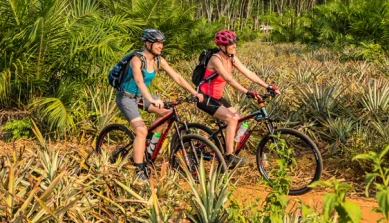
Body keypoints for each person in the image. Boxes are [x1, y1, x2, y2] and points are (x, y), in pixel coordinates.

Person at [116, 28, 205, 181]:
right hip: (127, 97)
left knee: (167, 113)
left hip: (142, 96)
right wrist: (151, 99)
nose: (160, 46)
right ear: (147, 43)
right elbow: (139, 81)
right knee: (141, 130)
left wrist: (194, 92)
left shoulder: (158, 60)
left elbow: (177, 77)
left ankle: (149, 143)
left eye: (161, 43)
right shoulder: (137, 59)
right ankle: (139, 169)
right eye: (157, 43)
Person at [195, 29, 279, 169]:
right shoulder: (216, 59)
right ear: (222, 46)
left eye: (235, 44)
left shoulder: (232, 57)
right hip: (205, 98)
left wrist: (267, 86)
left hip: (218, 97)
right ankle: (228, 157)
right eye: (231, 44)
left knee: (239, 121)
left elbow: (248, 72)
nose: (235, 46)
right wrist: (247, 91)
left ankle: (224, 147)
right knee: (231, 119)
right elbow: (229, 79)